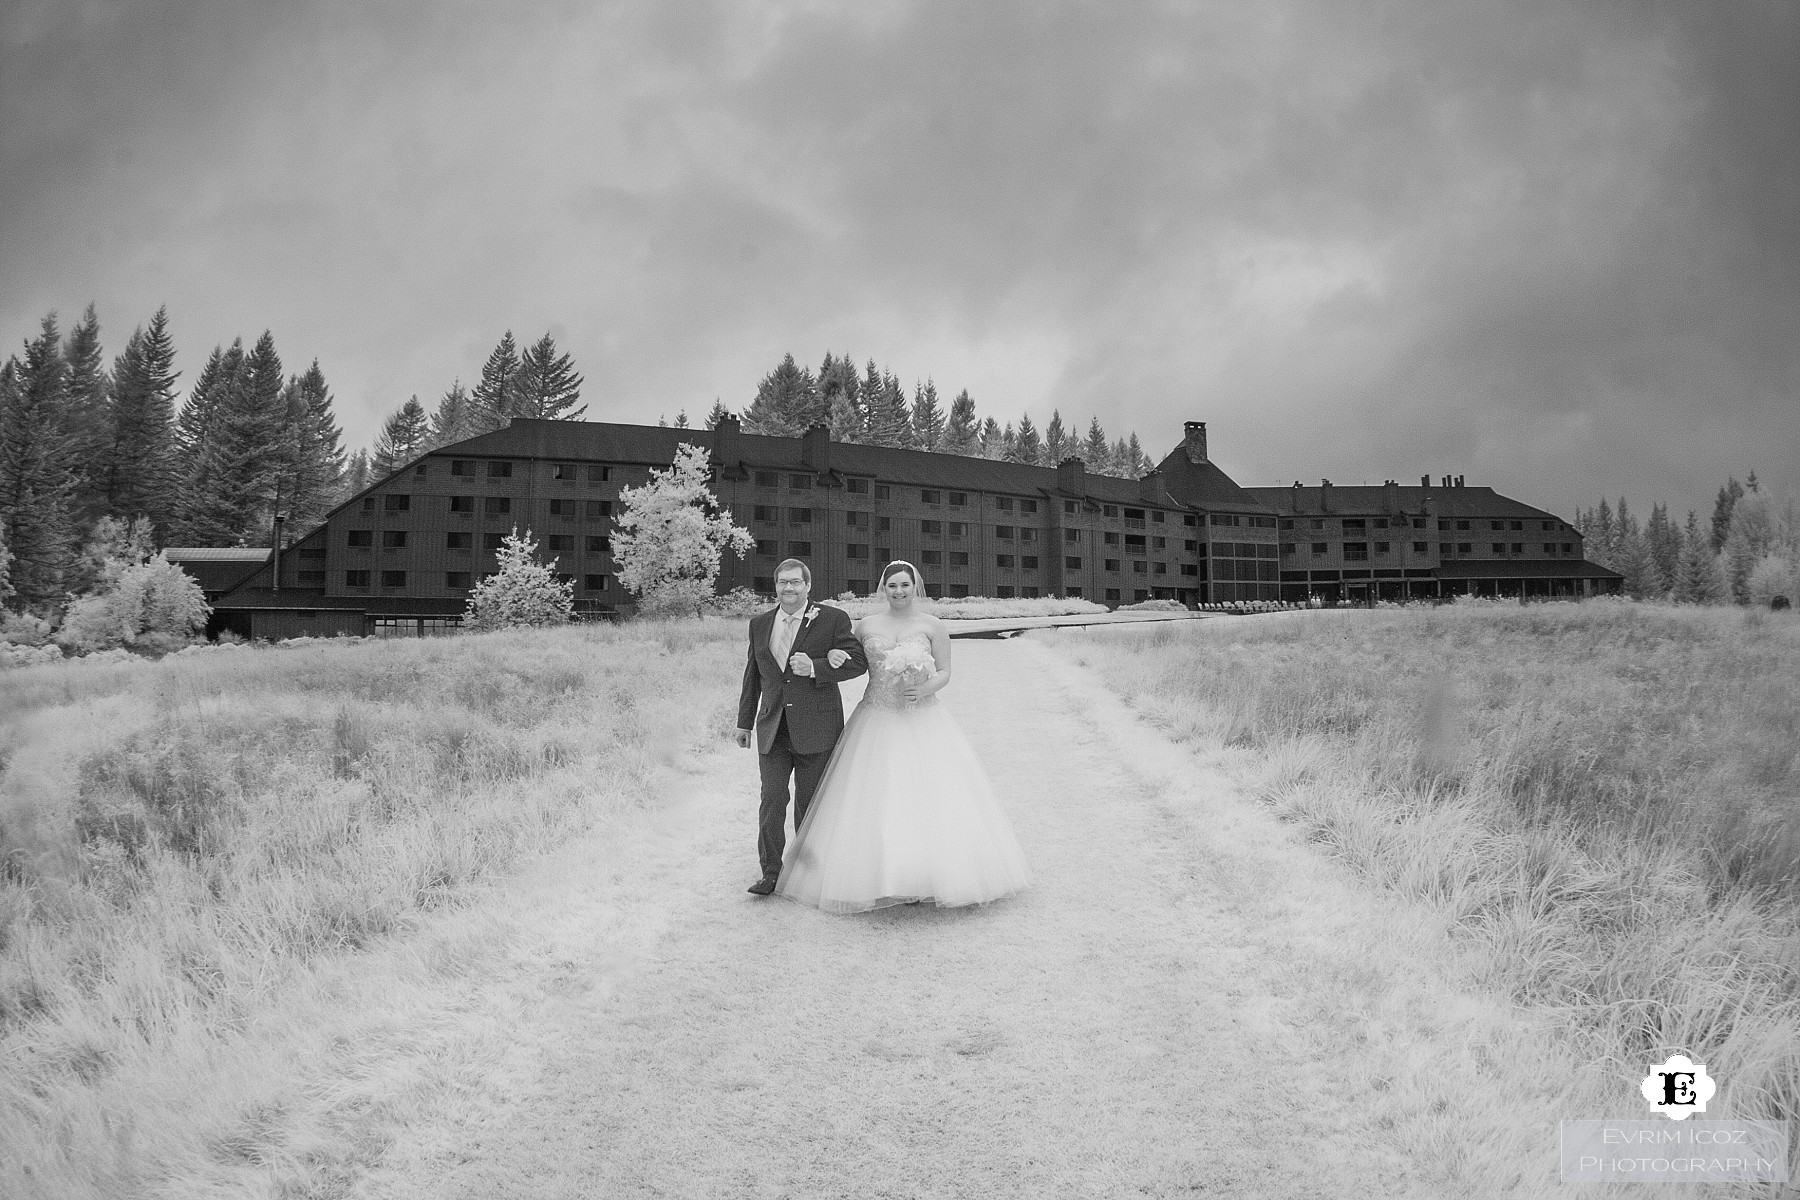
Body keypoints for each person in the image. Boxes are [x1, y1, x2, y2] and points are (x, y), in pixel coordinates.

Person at [775, 559, 1032, 913]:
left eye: (904, 585)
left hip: (922, 716)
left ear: (915, 588)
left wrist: (926, 688)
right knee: (872, 797)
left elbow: (945, 672)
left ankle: (926, 875)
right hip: (875, 716)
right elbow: (852, 659)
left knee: (928, 797)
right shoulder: (866, 626)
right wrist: (833, 655)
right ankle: (875, 876)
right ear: (884, 588)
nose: (898, 591)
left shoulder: (932, 625)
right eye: (892, 585)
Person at [736, 558, 868, 896]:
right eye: (782, 582)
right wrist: (744, 723)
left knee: (809, 804)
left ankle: (807, 872)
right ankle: (770, 873)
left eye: (795, 582)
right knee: (772, 800)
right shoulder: (760, 624)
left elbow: (857, 663)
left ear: (808, 586)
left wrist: (816, 667)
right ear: (776, 585)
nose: (788, 588)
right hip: (773, 729)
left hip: (817, 727)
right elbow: (753, 676)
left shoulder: (832, 619)